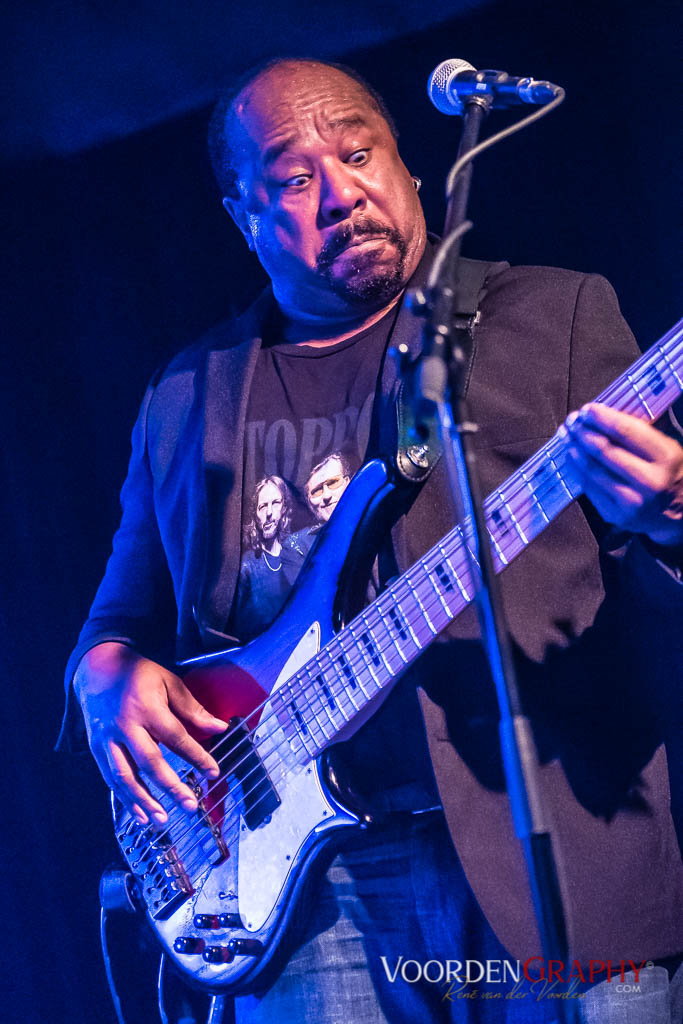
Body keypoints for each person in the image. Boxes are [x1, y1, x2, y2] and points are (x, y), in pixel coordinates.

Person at [61, 57, 683, 1022]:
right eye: (295, 177)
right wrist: (100, 678)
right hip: (300, 890)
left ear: (407, 167)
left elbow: (655, 557)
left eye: (359, 155)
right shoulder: (185, 394)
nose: (342, 193)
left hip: (553, 841)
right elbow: (123, 615)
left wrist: (669, 511)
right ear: (242, 216)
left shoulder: (549, 315)